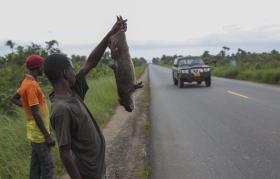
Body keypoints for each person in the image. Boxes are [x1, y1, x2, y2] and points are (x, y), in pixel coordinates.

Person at [43, 16, 127, 179]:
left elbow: (91, 62)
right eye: (72, 69)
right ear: (65, 73)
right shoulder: (61, 109)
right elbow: (65, 153)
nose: (76, 71)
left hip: (96, 168)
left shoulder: (73, 90)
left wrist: (111, 32)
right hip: (88, 174)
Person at [11, 54, 55, 179]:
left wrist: (26, 106)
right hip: (39, 135)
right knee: (48, 167)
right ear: (38, 67)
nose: (44, 68)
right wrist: (47, 136)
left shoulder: (27, 82)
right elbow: (36, 113)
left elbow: (14, 98)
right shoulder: (31, 86)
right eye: (43, 65)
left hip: (34, 133)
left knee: (35, 168)